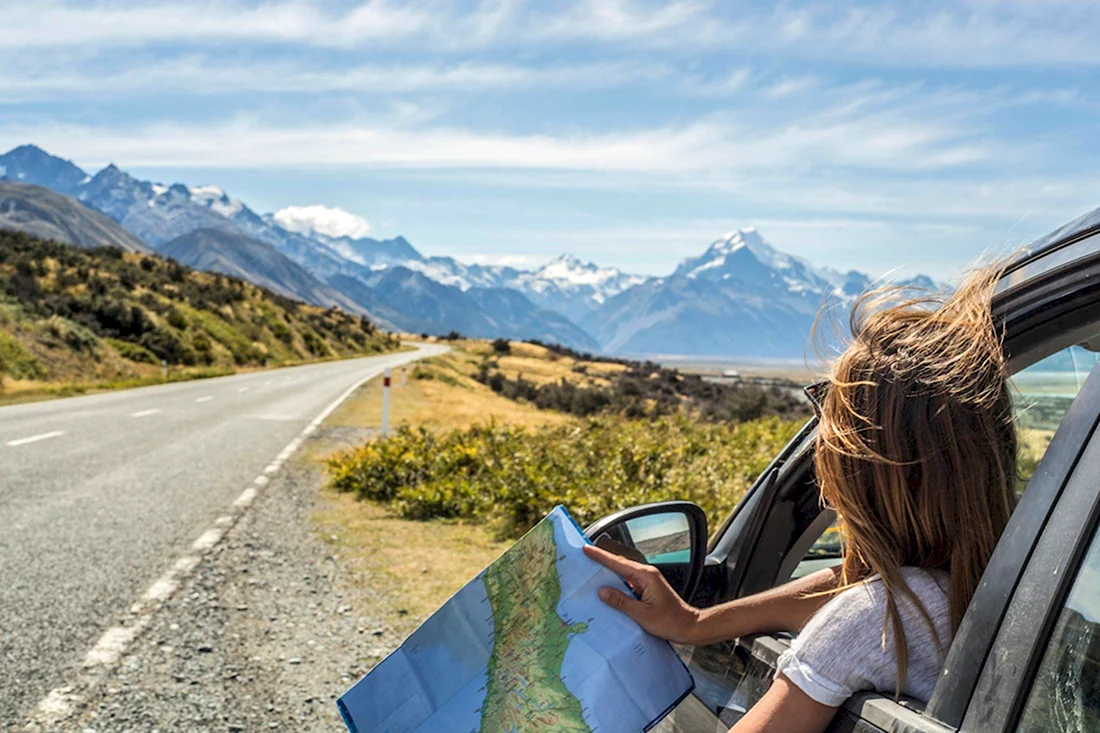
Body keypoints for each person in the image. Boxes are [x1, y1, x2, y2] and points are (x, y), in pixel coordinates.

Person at [585, 263, 1019, 733]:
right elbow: (849, 586)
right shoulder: (1001, 584)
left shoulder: (873, 620)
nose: (819, 459)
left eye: (828, 435)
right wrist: (694, 623)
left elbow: (862, 607)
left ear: (859, 473)